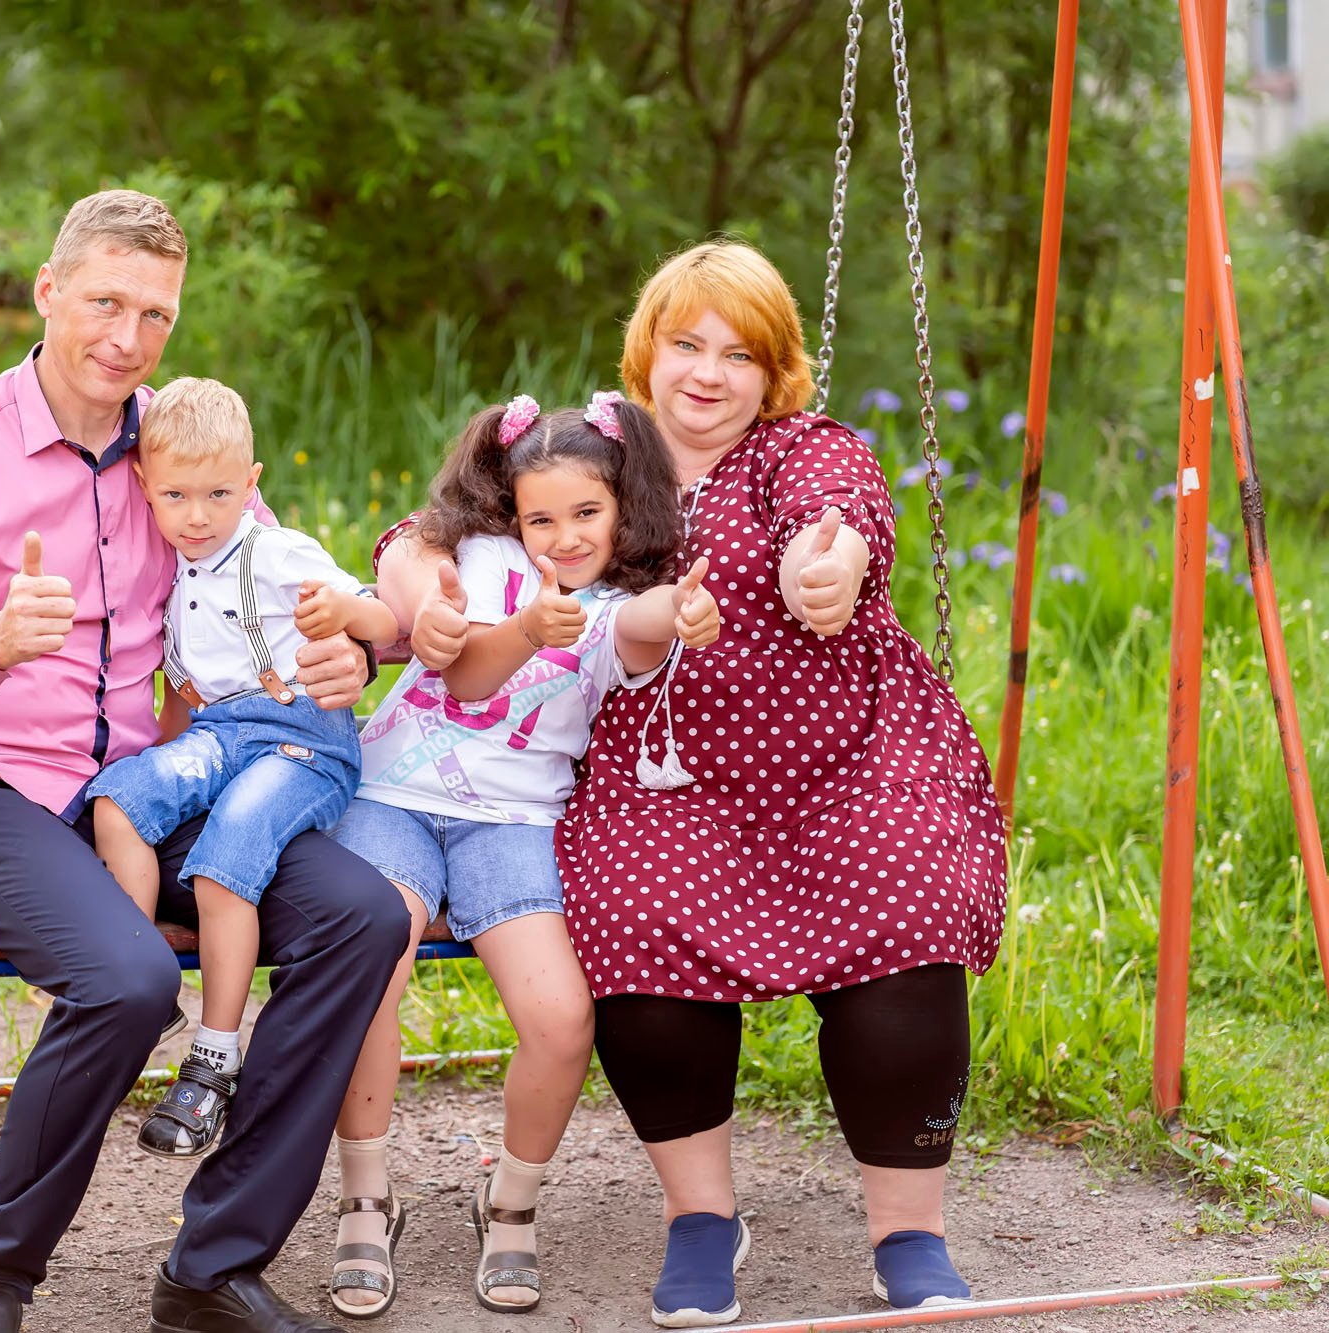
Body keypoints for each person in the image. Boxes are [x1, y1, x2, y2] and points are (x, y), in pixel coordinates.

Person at [378, 240, 1008, 1326]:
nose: (708, 373)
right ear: (647, 352)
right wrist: (407, 565)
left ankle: (908, 1229)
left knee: (905, 904)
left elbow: (841, 515)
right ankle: (701, 1217)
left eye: (739, 353)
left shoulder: (803, 451)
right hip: (662, 782)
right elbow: (453, 514)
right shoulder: (605, 453)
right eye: (685, 344)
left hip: (845, 761)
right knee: (630, 920)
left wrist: (834, 566)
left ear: (774, 373)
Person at [0, 189, 409, 1333]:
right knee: (125, 979)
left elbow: (278, 597)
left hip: (157, 785)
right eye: (104, 302)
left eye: (154, 314)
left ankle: (210, 1265)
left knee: (361, 915)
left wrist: (337, 661)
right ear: (47, 292)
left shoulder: (182, 446)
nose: (126, 337)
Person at [325, 392, 723, 1317]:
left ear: (623, 506)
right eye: (543, 516)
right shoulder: (476, 561)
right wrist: (515, 629)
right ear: (512, 511)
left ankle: (509, 1204)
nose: (564, 536)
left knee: (559, 1019)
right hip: (394, 799)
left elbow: (645, 621)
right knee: (371, 967)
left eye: (587, 513)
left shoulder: (616, 601)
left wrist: (684, 609)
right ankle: (365, 1197)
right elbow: (463, 678)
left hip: (515, 824)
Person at [88, 375, 401, 1160]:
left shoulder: (276, 551)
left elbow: (382, 617)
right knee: (121, 799)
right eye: (177, 496)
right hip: (223, 735)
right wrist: (166, 766)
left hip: (303, 743)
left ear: (252, 484)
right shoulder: (169, 564)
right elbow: (181, 703)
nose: (197, 516)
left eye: (219, 494)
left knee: (227, 853)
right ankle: (144, 971)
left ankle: (214, 1056)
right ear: (146, 488)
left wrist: (345, 618)